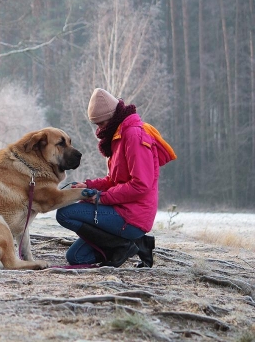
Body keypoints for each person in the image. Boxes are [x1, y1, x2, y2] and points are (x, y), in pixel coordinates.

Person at [56, 88, 175, 267]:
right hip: (119, 210)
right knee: (77, 258)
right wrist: (87, 185)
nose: (99, 129)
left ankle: (125, 244)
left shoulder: (134, 135)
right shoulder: (117, 136)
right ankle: (135, 244)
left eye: (101, 123)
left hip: (132, 216)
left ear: (112, 117)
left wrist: (101, 198)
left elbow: (140, 185)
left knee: (65, 213)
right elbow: (113, 180)